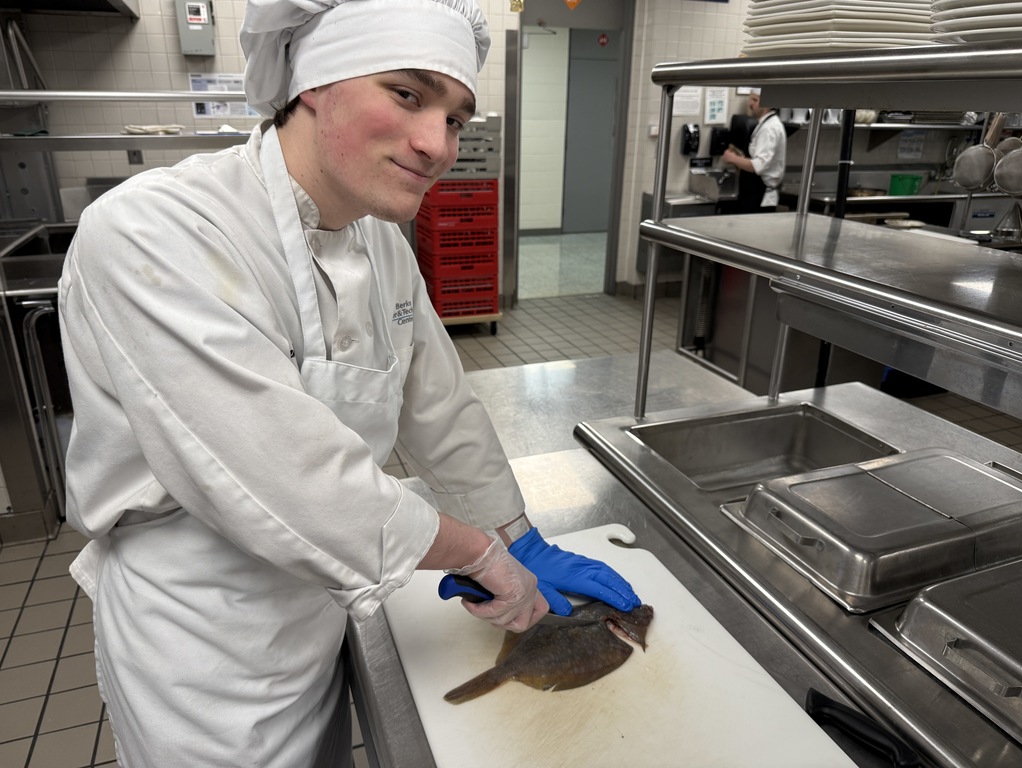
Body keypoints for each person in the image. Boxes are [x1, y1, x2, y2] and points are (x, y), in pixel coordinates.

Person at [56, 1, 641, 766]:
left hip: (323, 604)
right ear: (311, 85)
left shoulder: (377, 240)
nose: (438, 144)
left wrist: (516, 532)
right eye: (406, 93)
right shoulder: (155, 232)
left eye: (457, 117)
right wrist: (478, 554)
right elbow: (287, 477)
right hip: (203, 643)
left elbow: (440, 407)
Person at [722, 88, 787, 213]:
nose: (750, 104)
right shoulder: (764, 124)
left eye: (755, 100)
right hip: (754, 191)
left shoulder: (770, 128)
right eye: (750, 99)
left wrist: (732, 158)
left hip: (759, 194)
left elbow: (759, 166)